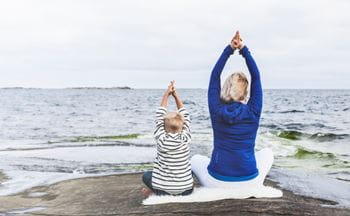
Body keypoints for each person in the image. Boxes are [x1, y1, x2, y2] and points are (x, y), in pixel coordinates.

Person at [191, 31, 273, 188]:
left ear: (226, 88)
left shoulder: (216, 110)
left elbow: (214, 76)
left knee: (195, 159)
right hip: (249, 180)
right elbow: (256, 76)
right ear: (246, 92)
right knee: (267, 153)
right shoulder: (253, 111)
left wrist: (229, 49)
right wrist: (243, 49)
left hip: (216, 181)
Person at [142, 81, 194, 197]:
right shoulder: (186, 138)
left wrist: (166, 94)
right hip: (186, 190)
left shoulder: (161, 138)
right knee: (188, 169)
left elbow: (159, 116)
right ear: (183, 126)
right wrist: (176, 96)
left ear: (164, 127)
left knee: (146, 175)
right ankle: (179, 185)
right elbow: (186, 115)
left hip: (163, 190)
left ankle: (154, 192)